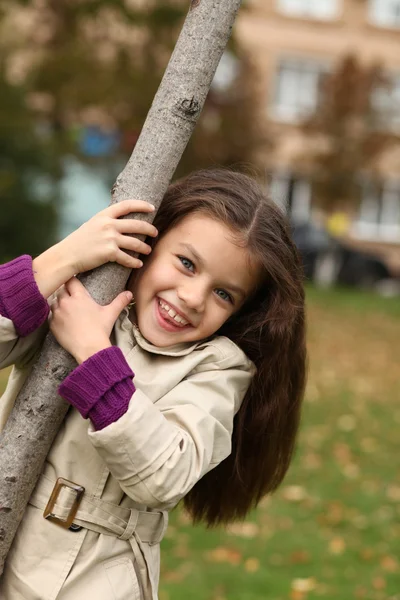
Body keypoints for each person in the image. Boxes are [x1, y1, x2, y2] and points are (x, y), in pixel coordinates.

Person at [0, 169, 306, 600]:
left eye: (224, 294)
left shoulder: (217, 369)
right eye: (186, 264)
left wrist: (92, 351)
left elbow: (163, 476)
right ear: (150, 243)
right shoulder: (83, 294)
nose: (193, 297)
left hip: (94, 578)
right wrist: (63, 257)